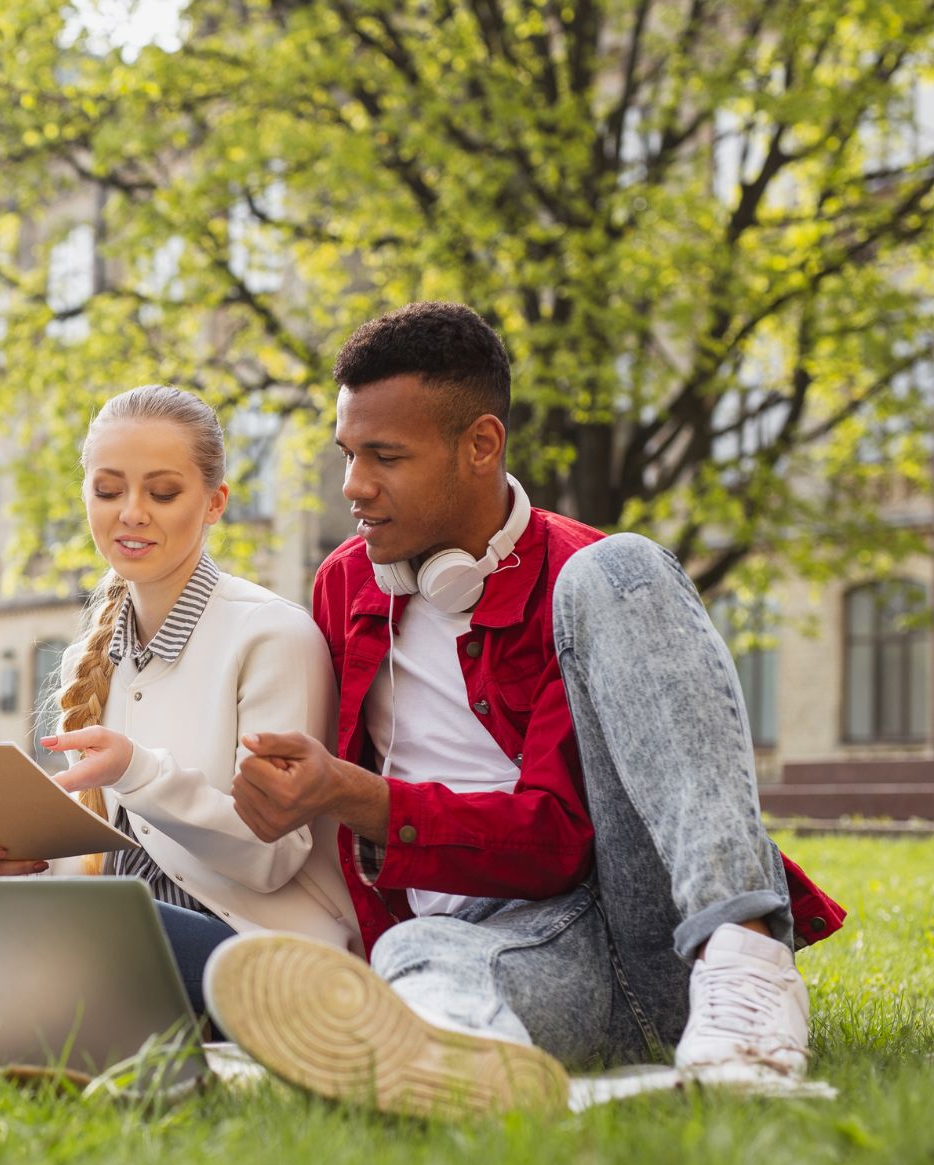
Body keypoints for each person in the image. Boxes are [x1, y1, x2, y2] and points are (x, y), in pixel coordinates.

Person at [200, 302, 845, 1117]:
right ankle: (456, 1058)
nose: (353, 487)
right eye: (348, 454)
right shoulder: (346, 584)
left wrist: (351, 797)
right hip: (495, 952)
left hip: (639, 930)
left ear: (481, 446)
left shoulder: (582, 577)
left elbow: (555, 847)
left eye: (385, 457)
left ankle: (746, 961)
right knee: (418, 954)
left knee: (627, 565)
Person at [0, 385, 359, 1016]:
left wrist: (138, 771)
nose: (131, 513)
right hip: (120, 925)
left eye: (163, 492)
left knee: (103, 925)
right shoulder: (93, 656)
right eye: (107, 490)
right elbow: (115, 864)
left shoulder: (271, 635)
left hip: (252, 953)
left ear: (214, 503)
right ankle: (23, 980)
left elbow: (271, 860)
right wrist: (26, 863)